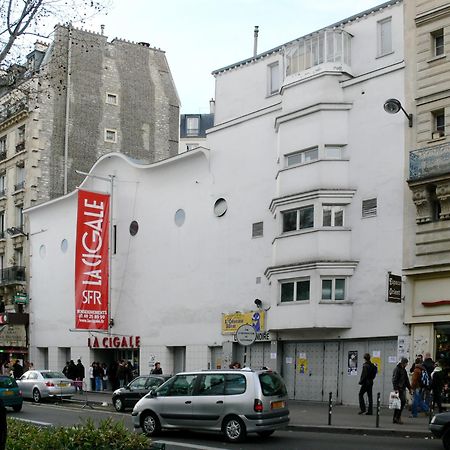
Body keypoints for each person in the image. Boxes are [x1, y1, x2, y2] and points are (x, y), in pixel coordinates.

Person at [392, 357, 412, 424]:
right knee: (401, 403)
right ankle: (397, 418)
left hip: (402, 388)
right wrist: (396, 389)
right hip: (399, 389)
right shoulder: (397, 369)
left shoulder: (403, 370)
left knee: (398, 404)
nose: (407, 364)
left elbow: (406, 380)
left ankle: (395, 418)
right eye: (406, 363)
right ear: (403, 363)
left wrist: (410, 388)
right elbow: (394, 380)